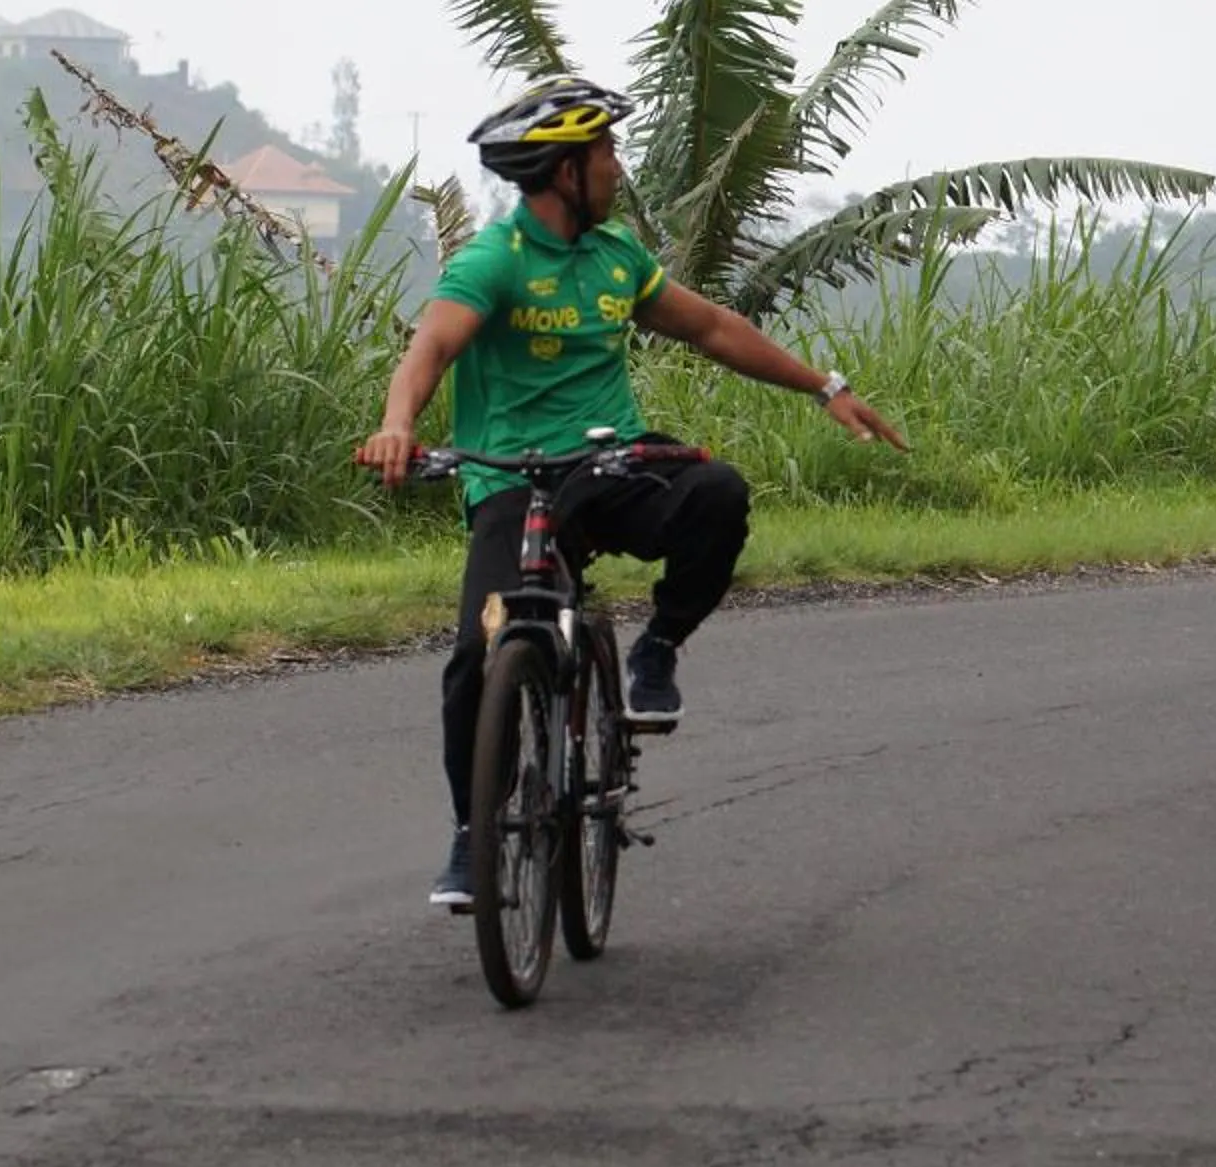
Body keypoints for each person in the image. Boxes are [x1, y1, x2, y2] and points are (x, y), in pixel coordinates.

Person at [355, 74, 906, 909]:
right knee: (476, 654)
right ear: (563, 171)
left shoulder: (618, 259)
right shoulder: (496, 260)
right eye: (605, 151)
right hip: (513, 479)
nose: (617, 166)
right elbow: (429, 347)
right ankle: (474, 833)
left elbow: (710, 327)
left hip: (609, 467)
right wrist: (398, 424)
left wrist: (823, 386)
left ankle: (657, 650)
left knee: (717, 493)